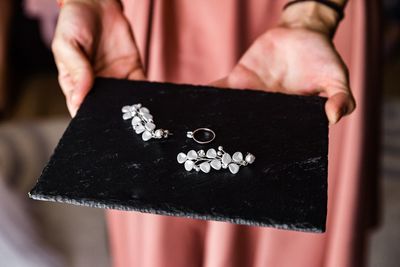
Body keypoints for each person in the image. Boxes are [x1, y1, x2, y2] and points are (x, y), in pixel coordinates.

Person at [51, 0, 381, 266]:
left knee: (290, 193)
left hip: (311, 19)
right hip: (165, 15)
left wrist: (311, 15)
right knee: (161, 210)